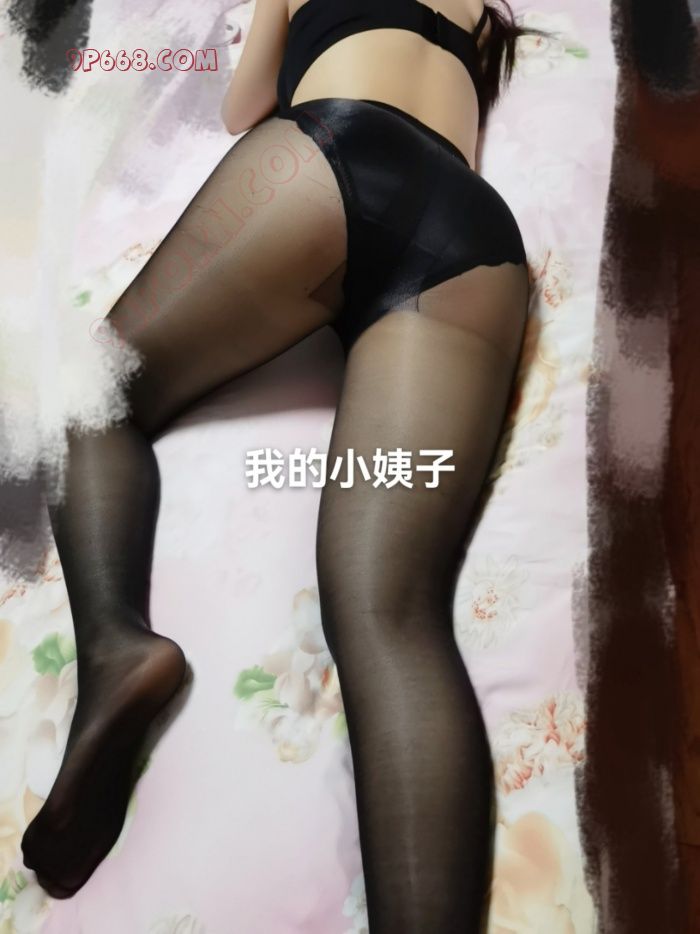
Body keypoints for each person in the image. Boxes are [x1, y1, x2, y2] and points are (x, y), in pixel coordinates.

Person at [22, 0, 543, 928]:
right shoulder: (477, 12)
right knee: (392, 614)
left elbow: (244, 107)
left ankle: (115, 644)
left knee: (86, 399)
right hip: (474, 234)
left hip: (335, 158)